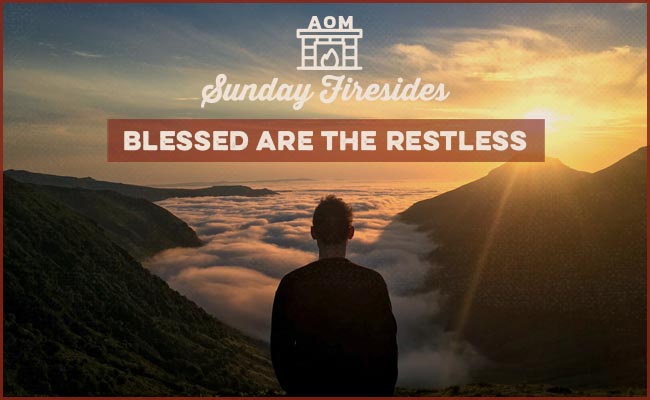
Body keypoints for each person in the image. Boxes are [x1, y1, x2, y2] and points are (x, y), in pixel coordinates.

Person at [271, 195, 398, 396]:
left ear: (313, 233)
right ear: (351, 232)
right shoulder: (372, 283)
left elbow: (280, 356)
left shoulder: (292, 284)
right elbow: (387, 356)